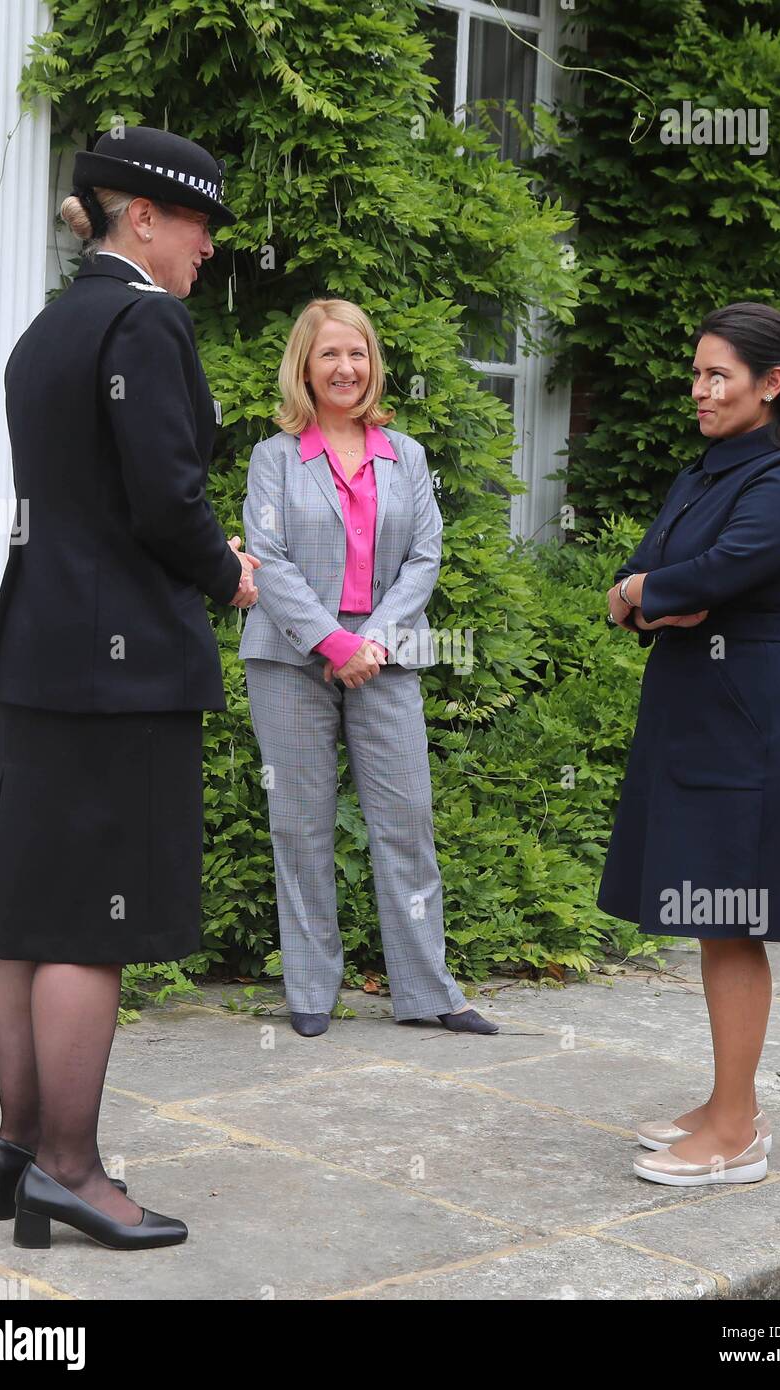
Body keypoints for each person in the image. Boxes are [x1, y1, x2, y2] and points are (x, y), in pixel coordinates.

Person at [0, 126, 259, 1249]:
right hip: (116, 659)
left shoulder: (46, 328)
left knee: (28, 913)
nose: (206, 248)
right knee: (91, 920)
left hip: (39, 650)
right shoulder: (144, 316)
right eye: (197, 225)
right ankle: (72, 1169)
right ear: (142, 215)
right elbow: (161, 499)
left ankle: (18, 1149)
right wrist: (227, 570)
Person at [597, 302, 780, 1187]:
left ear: (771, 385)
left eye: (717, 376)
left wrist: (652, 588)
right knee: (709, 913)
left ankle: (738, 1131)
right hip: (695, 704)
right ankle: (724, 1099)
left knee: (734, 917)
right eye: (695, 374)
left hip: (748, 713)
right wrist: (641, 590)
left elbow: (711, 573)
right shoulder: (710, 469)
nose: (698, 391)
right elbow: (654, 566)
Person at [239, 298, 497, 1037]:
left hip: (387, 656)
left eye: (357, 354)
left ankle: (427, 992)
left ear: (373, 363)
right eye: (328, 355)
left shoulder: (406, 455)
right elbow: (270, 560)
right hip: (290, 656)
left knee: (406, 819)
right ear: (305, 367)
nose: (345, 368)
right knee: (300, 824)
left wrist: (372, 642)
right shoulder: (274, 458)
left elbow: (425, 557)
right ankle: (312, 990)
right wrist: (333, 642)